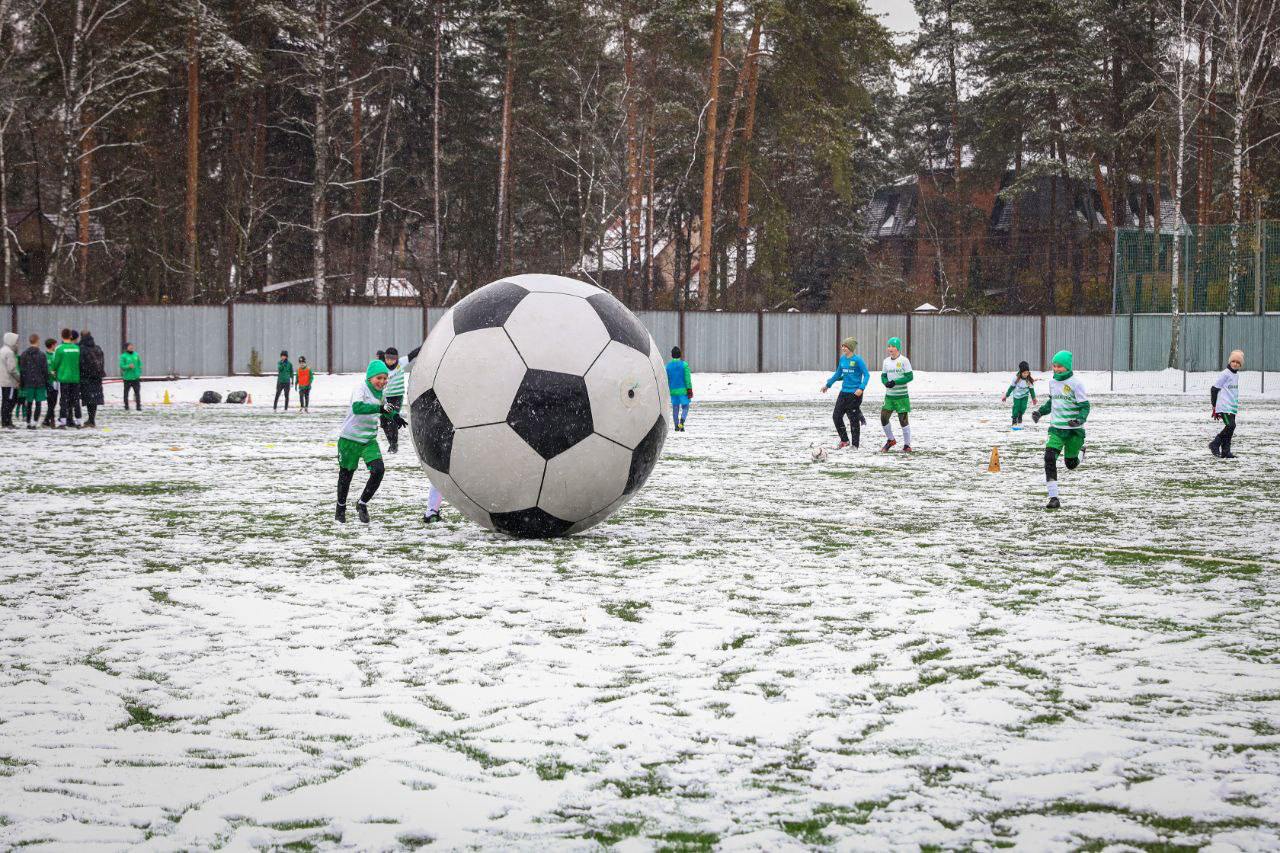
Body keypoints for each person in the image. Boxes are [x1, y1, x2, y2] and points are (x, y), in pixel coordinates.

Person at [336, 359, 405, 523]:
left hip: (368, 440)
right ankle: (340, 508)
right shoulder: (361, 389)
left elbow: (385, 407)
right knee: (346, 476)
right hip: (349, 439)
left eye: (385, 378)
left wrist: (395, 416)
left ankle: (362, 503)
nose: (382, 382)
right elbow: (358, 408)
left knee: (378, 470)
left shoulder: (380, 392)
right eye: (379, 378)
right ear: (370, 378)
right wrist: (380, 408)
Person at [1031, 350, 1090, 509]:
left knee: (1070, 464)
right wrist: (1040, 412)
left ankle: (1081, 452)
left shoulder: (1076, 383)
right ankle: (1053, 498)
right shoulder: (1052, 383)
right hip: (1056, 430)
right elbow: (1052, 403)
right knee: (1049, 458)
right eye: (1054, 366)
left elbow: (1085, 407)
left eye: (1060, 367)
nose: (1056, 369)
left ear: (1068, 367)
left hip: (1073, 431)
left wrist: (1079, 420)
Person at [821, 336, 869, 449]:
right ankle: (844, 440)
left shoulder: (858, 360)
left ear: (851, 348)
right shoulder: (842, 359)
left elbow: (867, 375)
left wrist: (861, 388)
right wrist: (828, 385)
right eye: (842, 346)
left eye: (845, 346)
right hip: (844, 392)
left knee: (853, 420)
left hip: (855, 393)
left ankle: (855, 445)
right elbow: (838, 374)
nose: (843, 348)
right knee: (836, 416)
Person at [879, 336, 913, 452]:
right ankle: (891, 440)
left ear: (898, 348)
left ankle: (907, 445)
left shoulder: (904, 360)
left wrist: (895, 382)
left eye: (893, 346)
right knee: (883, 418)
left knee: (903, 421)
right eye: (889, 346)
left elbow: (909, 377)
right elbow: (883, 376)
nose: (890, 348)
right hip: (889, 397)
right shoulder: (886, 361)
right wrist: (885, 383)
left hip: (902, 396)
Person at [1209, 349, 1243, 459]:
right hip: (1224, 406)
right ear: (1229, 361)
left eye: (1238, 363)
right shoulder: (1225, 374)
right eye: (1234, 361)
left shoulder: (1236, 375)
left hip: (1232, 406)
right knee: (1231, 425)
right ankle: (1215, 443)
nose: (1235, 364)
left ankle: (1226, 451)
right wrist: (1214, 406)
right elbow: (1214, 389)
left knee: (1231, 428)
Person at [52, 329, 82, 428]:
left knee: (64, 400)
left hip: (64, 377)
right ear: (71, 336)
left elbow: (55, 362)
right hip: (75, 377)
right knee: (76, 400)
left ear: (62, 336)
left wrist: (53, 370)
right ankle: (78, 421)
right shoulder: (77, 348)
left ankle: (63, 422)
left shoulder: (59, 348)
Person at [18, 334, 49, 429]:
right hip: (40, 383)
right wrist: (46, 381)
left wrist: (22, 382)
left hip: (28, 383)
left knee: (29, 403)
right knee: (38, 403)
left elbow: (22, 370)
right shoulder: (42, 355)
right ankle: (35, 422)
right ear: (38, 341)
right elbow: (45, 370)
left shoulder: (24, 354)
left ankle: (28, 422)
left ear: (29, 341)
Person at [381, 347, 407, 452]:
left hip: (397, 396)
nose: (390, 361)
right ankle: (391, 443)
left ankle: (394, 445)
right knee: (384, 421)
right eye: (387, 359)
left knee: (393, 419)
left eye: (392, 359)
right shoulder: (382, 366)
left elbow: (413, 354)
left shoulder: (402, 362)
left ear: (396, 359)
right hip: (386, 397)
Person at [78, 330, 106, 428]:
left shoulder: (81, 348)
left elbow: (80, 363)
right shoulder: (97, 348)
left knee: (88, 398)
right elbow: (102, 362)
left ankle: (82, 420)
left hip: (86, 377)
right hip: (97, 377)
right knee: (94, 399)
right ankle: (91, 419)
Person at [1001, 361, 1038, 429]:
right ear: (1021, 372)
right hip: (1017, 396)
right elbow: (1011, 388)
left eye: (1027, 373)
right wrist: (1006, 395)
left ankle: (1020, 416)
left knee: (1023, 407)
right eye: (1024, 373)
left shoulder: (1028, 380)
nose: (1026, 374)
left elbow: (1031, 390)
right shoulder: (1016, 379)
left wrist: (1034, 398)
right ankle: (1014, 419)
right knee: (1016, 407)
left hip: (1025, 396)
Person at [665, 346, 694, 432]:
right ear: (680, 355)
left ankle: (676, 426)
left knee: (675, 408)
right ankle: (682, 421)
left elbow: (666, 379)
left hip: (673, 391)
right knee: (685, 406)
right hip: (683, 391)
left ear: (672, 355)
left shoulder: (668, 366)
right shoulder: (684, 365)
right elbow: (687, 379)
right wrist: (689, 389)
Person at [0, 332, 18, 428]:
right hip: (9, 382)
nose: (17, 344)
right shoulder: (10, 353)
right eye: (16, 341)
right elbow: (12, 369)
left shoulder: (2, 350)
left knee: (5, 401)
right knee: (10, 401)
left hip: (3, 381)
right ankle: (7, 421)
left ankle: (4, 421)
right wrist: (19, 379)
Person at [119, 342, 142, 410]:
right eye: (129, 346)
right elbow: (122, 366)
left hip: (135, 378)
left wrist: (139, 373)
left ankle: (138, 406)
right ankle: (126, 406)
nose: (131, 347)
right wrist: (128, 366)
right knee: (126, 393)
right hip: (127, 378)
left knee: (137, 393)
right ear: (126, 348)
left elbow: (139, 364)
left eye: (132, 346)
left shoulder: (136, 355)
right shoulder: (123, 356)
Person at [42, 338, 59, 428]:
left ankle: (47, 420)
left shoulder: (55, 355)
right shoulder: (44, 356)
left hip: (55, 382)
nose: (55, 347)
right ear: (52, 345)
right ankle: (51, 420)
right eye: (55, 345)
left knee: (54, 402)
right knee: (50, 402)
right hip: (48, 382)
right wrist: (49, 372)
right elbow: (43, 368)